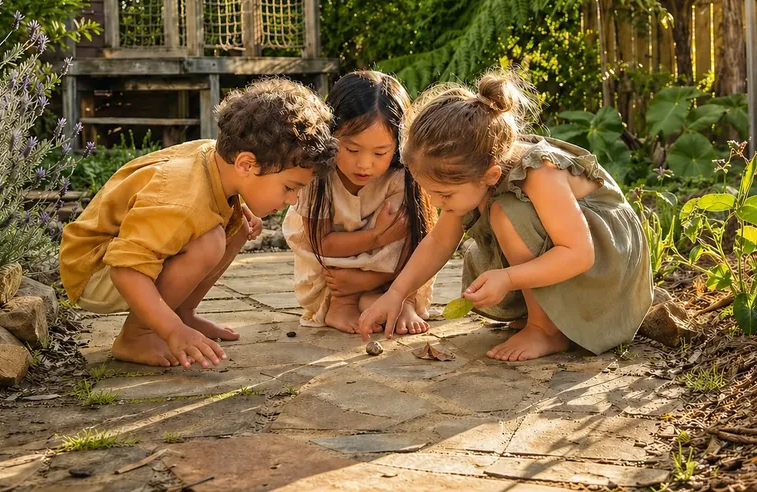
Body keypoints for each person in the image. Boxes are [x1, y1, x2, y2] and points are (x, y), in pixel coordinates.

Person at [359, 69, 653, 361]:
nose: (436, 203)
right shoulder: (478, 164)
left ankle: (545, 329)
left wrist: (509, 278)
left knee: (504, 213)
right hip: (570, 258)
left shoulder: (540, 173)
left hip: (607, 264)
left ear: (491, 175)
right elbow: (439, 242)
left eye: (445, 195)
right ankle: (547, 316)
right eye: (432, 193)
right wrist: (396, 294)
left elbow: (579, 253)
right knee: (500, 218)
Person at [60, 78, 337, 368]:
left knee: (239, 224)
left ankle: (182, 312)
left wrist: (239, 210)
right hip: (94, 270)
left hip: (119, 259)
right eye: (289, 187)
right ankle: (136, 336)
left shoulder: (217, 161)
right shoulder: (182, 199)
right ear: (246, 164)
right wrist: (172, 332)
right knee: (209, 241)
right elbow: (125, 270)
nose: (293, 200)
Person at [283, 71, 435, 335]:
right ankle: (343, 303)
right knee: (385, 232)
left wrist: (370, 276)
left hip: (390, 275)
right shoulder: (317, 174)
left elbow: (410, 241)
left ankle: (398, 298)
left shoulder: (401, 176)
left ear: (399, 145)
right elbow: (322, 244)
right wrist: (376, 235)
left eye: (380, 152)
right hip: (333, 278)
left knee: (408, 228)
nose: (365, 164)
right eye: (352, 149)